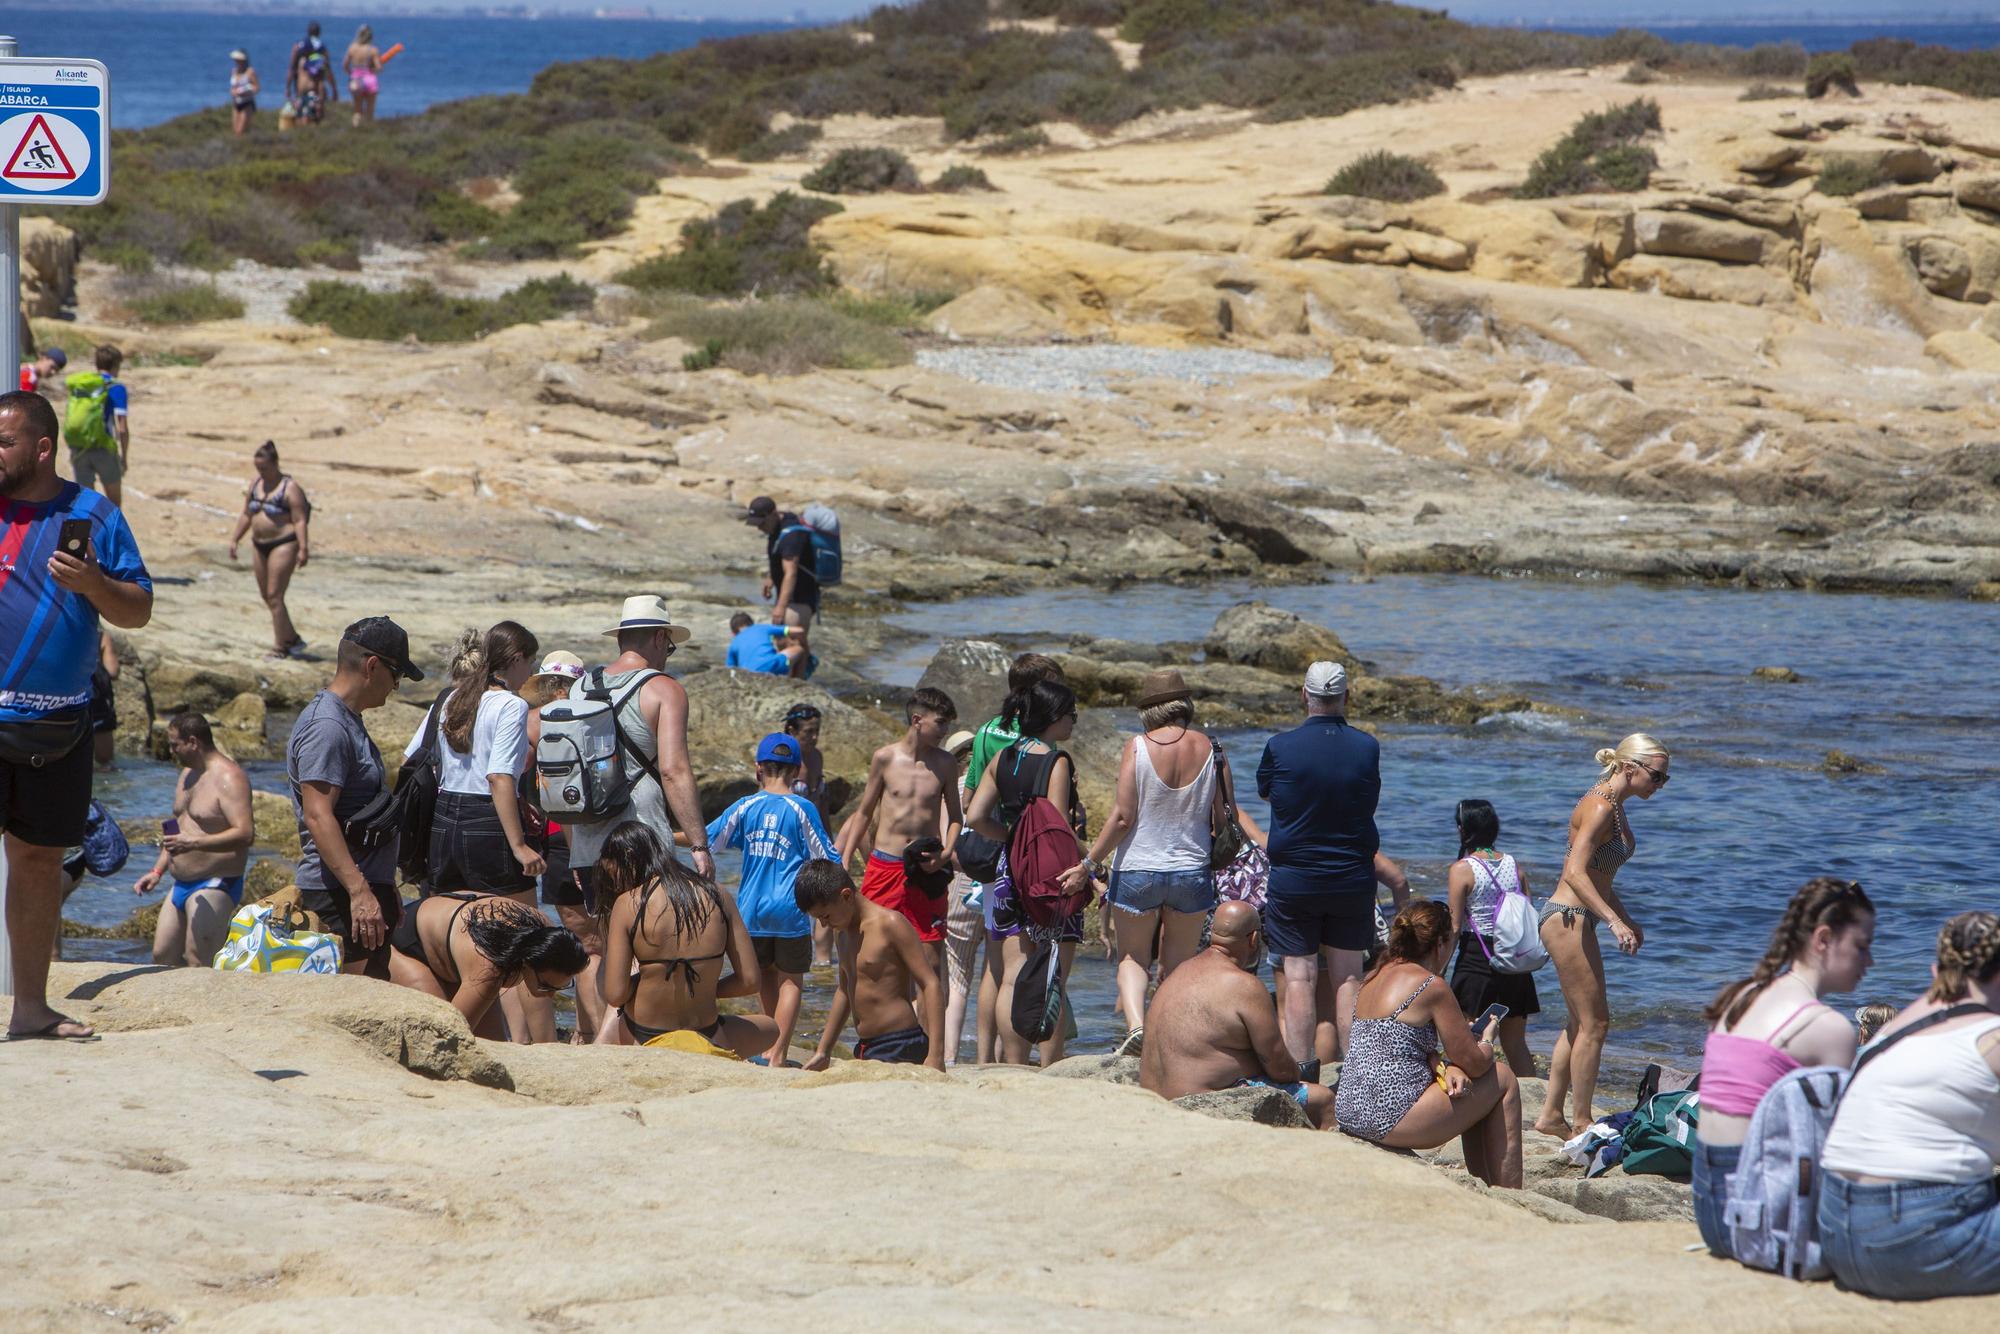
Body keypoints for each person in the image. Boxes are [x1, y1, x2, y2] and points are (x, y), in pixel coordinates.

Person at [0, 389, 152, 1041]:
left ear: (41, 447)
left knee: (38, 863)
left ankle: (30, 1009)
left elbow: (138, 609)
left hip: (57, 728)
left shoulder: (94, 514)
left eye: (3, 441)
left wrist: (93, 585)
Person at [1818, 911, 2000, 1300]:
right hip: (1913, 1241)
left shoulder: (1891, 1030)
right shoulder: (1991, 1037)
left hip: (1836, 1231)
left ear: (1937, 970)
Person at [1691, 877, 1874, 1260]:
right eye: (1861, 946)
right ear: (1823, 939)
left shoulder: (1740, 996)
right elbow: (1838, 1146)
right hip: (1756, 1219)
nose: (1869, 961)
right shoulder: (1829, 1028)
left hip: (1709, 1209)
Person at [1064, 669, 1220, 1057]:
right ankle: (1171, 1037)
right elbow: (1219, 818)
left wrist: (1088, 863)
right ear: (1184, 704)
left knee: (1133, 957)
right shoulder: (1211, 748)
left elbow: (1121, 817)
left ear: (1149, 709)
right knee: (1181, 964)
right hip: (1191, 869)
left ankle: (1136, 1028)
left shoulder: (1137, 746)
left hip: (1138, 869)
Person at [406, 622, 550, 1041]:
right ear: (517, 659)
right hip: (487, 824)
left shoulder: (454, 698)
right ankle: (539, 1049)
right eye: (532, 661)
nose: (532, 672)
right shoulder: (510, 705)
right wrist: (520, 845)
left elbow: (414, 758)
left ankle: (485, 1038)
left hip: (443, 824)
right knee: (528, 938)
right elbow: (500, 779)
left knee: (461, 934)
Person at [1535, 733, 1671, 1139]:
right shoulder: (1598, 805)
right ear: (1630, 768)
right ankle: (1581, 1121)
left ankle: (1551, 1116)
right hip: (1567, 917)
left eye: (1665, 778)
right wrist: (1613, 921)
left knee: (1580, 1022)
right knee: (1597, 1022)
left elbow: (1599, 876)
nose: (1661, 784)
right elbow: (1574, 873)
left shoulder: (1615, 807)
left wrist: (1627, 917)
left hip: (1578, 916)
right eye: (1657, 776)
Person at [1335, 900, 1523, 1188]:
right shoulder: (1430, 985)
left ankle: (1484, 1186)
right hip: (1388, 1117)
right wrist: (1487, 1039)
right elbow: (1474, 1061)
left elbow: (1394, 1045)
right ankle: (1510, 1195)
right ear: (1441, 943)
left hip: (1350, 1109)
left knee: (1467, 1085)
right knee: (1502, 1077)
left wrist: (1443, 1063)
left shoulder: (1372, 976)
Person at [1256, 660, 1379, 1081]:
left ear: (1304, 695)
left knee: (1299, 977)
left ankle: (1300, 1076)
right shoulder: (1367, 747)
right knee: (1349, 978)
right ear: (1347, 697)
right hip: (1351, 875)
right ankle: (1357, 1074)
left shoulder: (1279, 746)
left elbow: (1269, 792)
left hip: (1295, 878)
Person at [288, 616, 423, 979]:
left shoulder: (348, 719)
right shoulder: (327, 727)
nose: (396, 686)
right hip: (337, 897)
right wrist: (360, 892)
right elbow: (318, 815)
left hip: (359, 892)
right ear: (372, 665)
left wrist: (383, 884)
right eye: (397, 674)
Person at [964, 677, 1089, 1065]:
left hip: (1009, 870)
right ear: (1053, 718)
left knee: (1013, 972)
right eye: (1071, 714)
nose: (1074, 722)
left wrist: (1010, 837)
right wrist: (1090, 863)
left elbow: (975, 816)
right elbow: (1056, 827)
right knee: (1053, 971)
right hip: (1051, 873)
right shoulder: (1056, 760)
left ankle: (1013, 1063)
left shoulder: (1004, 758)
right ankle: (1051, 1065)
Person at [701, 732, 837, 1067]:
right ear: (797, 770)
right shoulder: (802, 807)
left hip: (750, 910)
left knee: (761, 979)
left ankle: (766, 1045)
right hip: (790, 910)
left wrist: (659, 833)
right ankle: (778, 1053)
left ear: (759, 768)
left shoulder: (745, 805)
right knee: (791, 981)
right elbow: (828, 856)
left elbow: (705, 839)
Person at [562, 596, 714, 888]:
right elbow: (674, 771)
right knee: (652, 932)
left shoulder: (579, 688)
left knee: (608, 933)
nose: (667, 655)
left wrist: (575, 855)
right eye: (669, 646)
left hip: (588, 847)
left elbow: (571, 771)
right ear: (660, 637)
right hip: (643, 841)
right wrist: (699, 846)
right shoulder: (664, 689)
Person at [1139, 900, 1334, 1125]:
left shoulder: (1177, 973)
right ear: (1253, 939)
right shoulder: (1245, 985)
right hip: (1206, 1101)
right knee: (1323, 1099)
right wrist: (1300, 1076)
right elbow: (1279, 1066)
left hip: (1156, 1099)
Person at [595, 823, 776, 1058]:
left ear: (628, 858)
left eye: (614, 875)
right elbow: (750, 981)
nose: (617, 885)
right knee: (771, 1027)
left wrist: (650, 979)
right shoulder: (718, 893)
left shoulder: (628, 903)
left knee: (613, 1015)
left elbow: (615, 994)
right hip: (707, 1032)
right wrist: (706, 988)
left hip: (645, 1034)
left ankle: (601, 1044)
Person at [835, 686, 962, 973]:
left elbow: (955, 816)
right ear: (917, 720)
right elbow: (864, 813)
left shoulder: (945, 763)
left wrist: (947, 853)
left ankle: (925, 1019)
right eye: (940, 722)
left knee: (929, 960)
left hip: (926, 868)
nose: (946, 730)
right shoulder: (885, 758)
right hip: (885, 865)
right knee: (872, 954)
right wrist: (843, 860)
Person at [797, 860, 946, 1071]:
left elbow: (930, 984)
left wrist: (936, 1055)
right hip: (866, 1047)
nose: (823, 924)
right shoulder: (842, 934)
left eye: (825, 916)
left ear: (846, 896)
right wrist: (824, 1050)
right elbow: (844, 991)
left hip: (900, 1043)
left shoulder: (890, 924)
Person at [132, 713, 254, 968]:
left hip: (215, 883)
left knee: (199, 960)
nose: (170, 750)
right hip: (180, 883)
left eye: (174, 744)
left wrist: (194, 844)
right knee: (162, 955)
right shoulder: (187, 774)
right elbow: (177, 826)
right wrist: (158, 869)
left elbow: (245, 834)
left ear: (193, 742)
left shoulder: (230, 778)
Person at [524, 650, 601, 1042]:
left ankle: (591, 1036)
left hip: (559, 840)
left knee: (587, 948)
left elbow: (514, 777)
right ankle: (593, 1032)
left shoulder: (532, 724)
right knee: (605, 943)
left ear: (550, 685)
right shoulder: (594, 719)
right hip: (600, 840)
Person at [389, 892, 587, 1040]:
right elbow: (449, 1033)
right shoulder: (489, 968)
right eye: (546, 986)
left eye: (561, 987)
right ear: (527, 962)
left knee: (494, 1046)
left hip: (450, 951)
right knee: (439, 1033)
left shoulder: (549, 931)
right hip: (406, 945)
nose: (551, 996)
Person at [1444, 799, 1539, 1074]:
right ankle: (1524, 1096)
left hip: (1478, 957)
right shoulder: (1513, 864)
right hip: (1514, 957)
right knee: (1515, 1043)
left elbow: (1453, 925)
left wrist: (1439, 968)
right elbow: (1526, 913)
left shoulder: (1462, 869)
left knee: (1470, 1038)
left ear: (1464, 829)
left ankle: (1474, 1102)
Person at [226, 442, 311, 660]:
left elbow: (300, 520)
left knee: (275, 595)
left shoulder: (289, 487)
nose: (260, 471)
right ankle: (292, 638)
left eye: (264, 467)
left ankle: (279, 647)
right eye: (257, 467)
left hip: (284, 543)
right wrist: (235, 538)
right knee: (267, 595)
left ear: (275, 463)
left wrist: (303, 548)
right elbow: (247, 513)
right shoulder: (256, 483)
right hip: (259, 544)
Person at [939, 728, 993, 1064]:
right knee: (996, 972)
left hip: (960, 879)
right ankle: (995, 1059)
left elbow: (944, 842)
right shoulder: (996, 787)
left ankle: (949, 1057)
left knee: (957, 975)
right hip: (998, 881)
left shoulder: (952, 789)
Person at [963, 653, 1064, 795]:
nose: (1061, 695)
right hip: (1026, 816)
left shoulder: (986, 730)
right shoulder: (1042, 734)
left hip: (987, 813)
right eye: (1055, 689)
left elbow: (968, 801)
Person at [783, 702, 836, 964]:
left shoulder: (817, 757)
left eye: (817, 731)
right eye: (808, 732)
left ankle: (823, 963)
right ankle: (794, 957)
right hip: (790, 841)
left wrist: (830, 841)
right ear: (792, 731)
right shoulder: (782, 759)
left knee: (826, 897)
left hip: (815, 837)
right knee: (794, 901)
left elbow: (822, 801)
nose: (814, 737)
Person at [741, 496, 818, 661]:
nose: (759, 528)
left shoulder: (793, 534)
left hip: (801, 597)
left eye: (761, 522)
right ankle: (796, 678)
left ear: (773, 514)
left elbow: (791, 572)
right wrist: (771, 578)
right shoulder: (776, 528)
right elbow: (778, 557)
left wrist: (780, 607)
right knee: (782, 641)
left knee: (793, 642)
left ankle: (798, 682)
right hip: (789, 596)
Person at [62, 345, 129, 509]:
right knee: (114, 505)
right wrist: (124, 457)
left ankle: (87, 534)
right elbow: (122, 428)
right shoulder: (116, 388)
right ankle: (109, 534)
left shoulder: (83, 384)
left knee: (85, 505)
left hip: (79, 448)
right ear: (116, 365)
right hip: (103, 448)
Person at [724, 611, 804, 677]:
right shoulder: (760, 627)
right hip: (771, 666)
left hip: (748, 674)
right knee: (799, 649)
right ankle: (798, 678)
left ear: (733, 633)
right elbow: (798, 630)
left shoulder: (733, 644)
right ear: (752, 624)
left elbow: (730, 670)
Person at [288, 22, 337, 119]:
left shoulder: (298, 47)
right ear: (319, 33)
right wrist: (334, 89)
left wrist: (288, 87)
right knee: (316, 117)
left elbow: (291, 69)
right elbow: (328, 72)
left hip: (302, 88)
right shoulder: (322, 49)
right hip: (318, 91)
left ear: (308, 32)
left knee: (302, 116)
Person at [89, 631, 118, 767]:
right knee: (105, 763)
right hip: (98, 704)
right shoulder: (100, 635)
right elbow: (112, 670)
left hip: (68, 703)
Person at [343, 25, 380, 127]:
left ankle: (355, 131)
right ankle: (368, 133)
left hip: (355, 80)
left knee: (357, 111)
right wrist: (372, 69)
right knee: (370, 111)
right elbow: (378, 68)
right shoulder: (373, 50)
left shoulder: (352, 48)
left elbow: (345, 65)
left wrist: (351, 74)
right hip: (369, 79)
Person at [228, 49, 259, 134]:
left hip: (247, 103)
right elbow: (232, 86)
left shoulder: (250, 72)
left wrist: (246, 91)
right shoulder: (234, 71)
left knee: (241, 131)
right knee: (235, 130)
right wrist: (233, 92)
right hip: (236, 103)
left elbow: (257, 88)